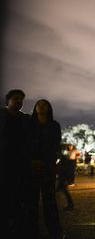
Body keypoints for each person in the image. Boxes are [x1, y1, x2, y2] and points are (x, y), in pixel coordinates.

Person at [28, 99, 64, 239]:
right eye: (39, 104)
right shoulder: (29, 124)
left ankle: (54, 230)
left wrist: (47, 162)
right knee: (32, 200)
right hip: (31, 166)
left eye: (45, 105)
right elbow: (26, 144)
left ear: (49, 109)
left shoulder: (54, 125)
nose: (42, 107)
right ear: (35, 108)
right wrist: (32, 160)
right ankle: (32, 230)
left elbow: (55, 145)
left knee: (50, 200)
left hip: (47, 166)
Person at [0, 89, 31, 237]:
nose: (19, 101)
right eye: (16, 98)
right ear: (8, 101)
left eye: (21, 99)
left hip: (22, 162)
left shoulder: (25, 118)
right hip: (5, 161)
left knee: (20, 193)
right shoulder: (1, 115)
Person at [57, 144, 74, 211]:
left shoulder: (63, 158)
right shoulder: (63, 157)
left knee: (63, 190)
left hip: (63, 176)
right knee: (61, 190)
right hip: (62, 176)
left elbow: (65, 168)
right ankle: (68, 204)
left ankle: (69, 204)